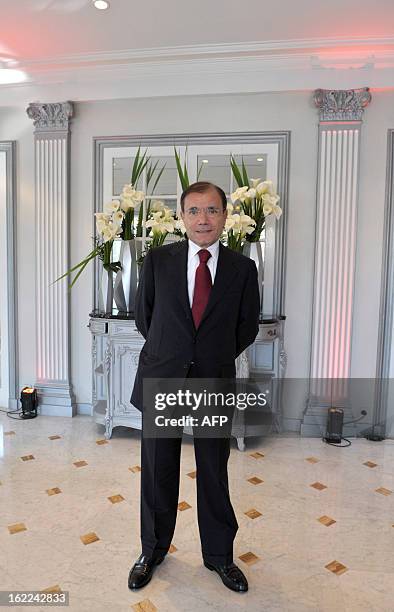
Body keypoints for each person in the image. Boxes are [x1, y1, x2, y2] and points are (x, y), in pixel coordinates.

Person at [128, 181, 260, 593]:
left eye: (212, 210)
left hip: (212, 379)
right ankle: (152, 550)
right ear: (182, 216)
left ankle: (220, 556)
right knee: (157, 470)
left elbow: (246, 327)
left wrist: (209, 356)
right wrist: (176, 352)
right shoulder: (158, 261)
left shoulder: (242, 268)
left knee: (214, 472)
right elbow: (144, 318)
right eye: (195, 211)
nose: (203, 219)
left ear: (224, 215)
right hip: (163, 376)